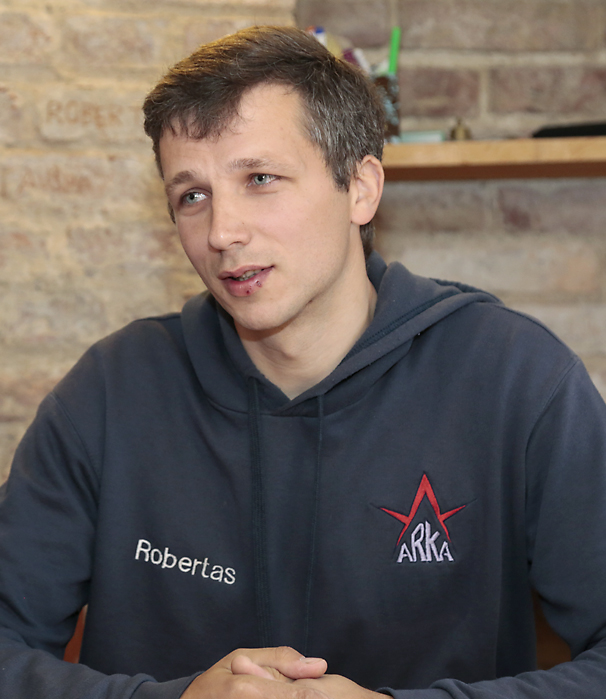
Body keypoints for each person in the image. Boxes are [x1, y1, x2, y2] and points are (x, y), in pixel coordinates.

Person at [0, 24, 605, 699]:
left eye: (260, 178)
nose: (222, 232)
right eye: (192, 196)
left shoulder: (517, 380)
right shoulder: (110, 392)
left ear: (361, 189)